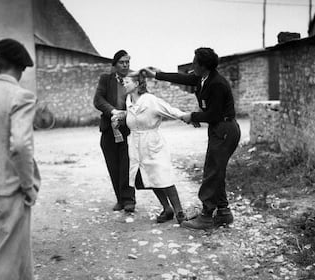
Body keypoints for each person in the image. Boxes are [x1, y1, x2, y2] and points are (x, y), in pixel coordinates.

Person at [144, 47, 241, 230]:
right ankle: (223, 212)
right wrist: (156, 75)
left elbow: (214, 114)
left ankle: (206, 215)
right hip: (218, 129)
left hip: (225, 130)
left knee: (211, 172)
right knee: (216, 171)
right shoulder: (203, 78)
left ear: (203, 66)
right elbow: (181, 78)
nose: (192, 64)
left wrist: (193, 116)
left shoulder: (217, 84)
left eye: (195, 62)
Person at [0, 38, 41, 280]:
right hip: (9, 188)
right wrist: (28, 186)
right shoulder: (21, 96)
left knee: (15, 247)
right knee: (6, 257)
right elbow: (20, 145)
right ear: (21, 68)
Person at [115, 70, 186, 224]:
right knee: (149, 177)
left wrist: (187, 117)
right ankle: (167, 208)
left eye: (127, 82)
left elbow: (170, 110)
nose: (124, 84)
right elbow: (133, 116)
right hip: (135, 143)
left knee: (163, 175)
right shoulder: (128, 100)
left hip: (152, 142)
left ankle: (180, 212)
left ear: (137, 83)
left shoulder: (150, 100)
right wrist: (122, 118)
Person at [94, 50, 136, 212]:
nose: (125, 65)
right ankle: (120, 199)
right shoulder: (106, 79)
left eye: (127, 62)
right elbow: (98, 100)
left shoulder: (133, 80)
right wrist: (113, 112)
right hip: (108, 129)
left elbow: (140, 101)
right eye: (122, 62)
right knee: (113, 165)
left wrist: (126, 115)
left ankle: (129, 200)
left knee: (127, 165)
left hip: (128, 129)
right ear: (115, 65)